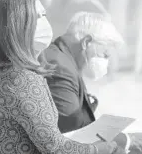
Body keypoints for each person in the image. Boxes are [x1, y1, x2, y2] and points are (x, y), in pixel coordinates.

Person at [0, 0, 126, 154]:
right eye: (37, 17)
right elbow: (54, 147)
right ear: (17, 27)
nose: (45, 22)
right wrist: (99, 150)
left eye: (44, 14)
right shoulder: (20, 79)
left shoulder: (19, 73)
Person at [43, 12, 142, 153]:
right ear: (86, 42)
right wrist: (124, 144)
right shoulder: (60, 67)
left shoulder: (65, 60)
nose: (105, 63)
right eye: (105, 55)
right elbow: (74, 131)